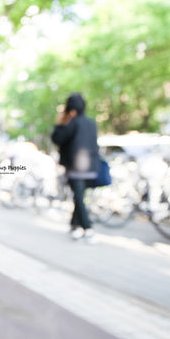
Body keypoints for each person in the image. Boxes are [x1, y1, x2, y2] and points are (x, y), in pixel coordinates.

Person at [51, 92, 100, 243]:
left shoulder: (73, 122)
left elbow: (57, 138)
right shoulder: (91, 123)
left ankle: (88, 228)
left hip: (76, 167)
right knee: (79, 195)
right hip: (92, 166)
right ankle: (75, 225)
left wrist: (61, 121)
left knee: (78, 197)